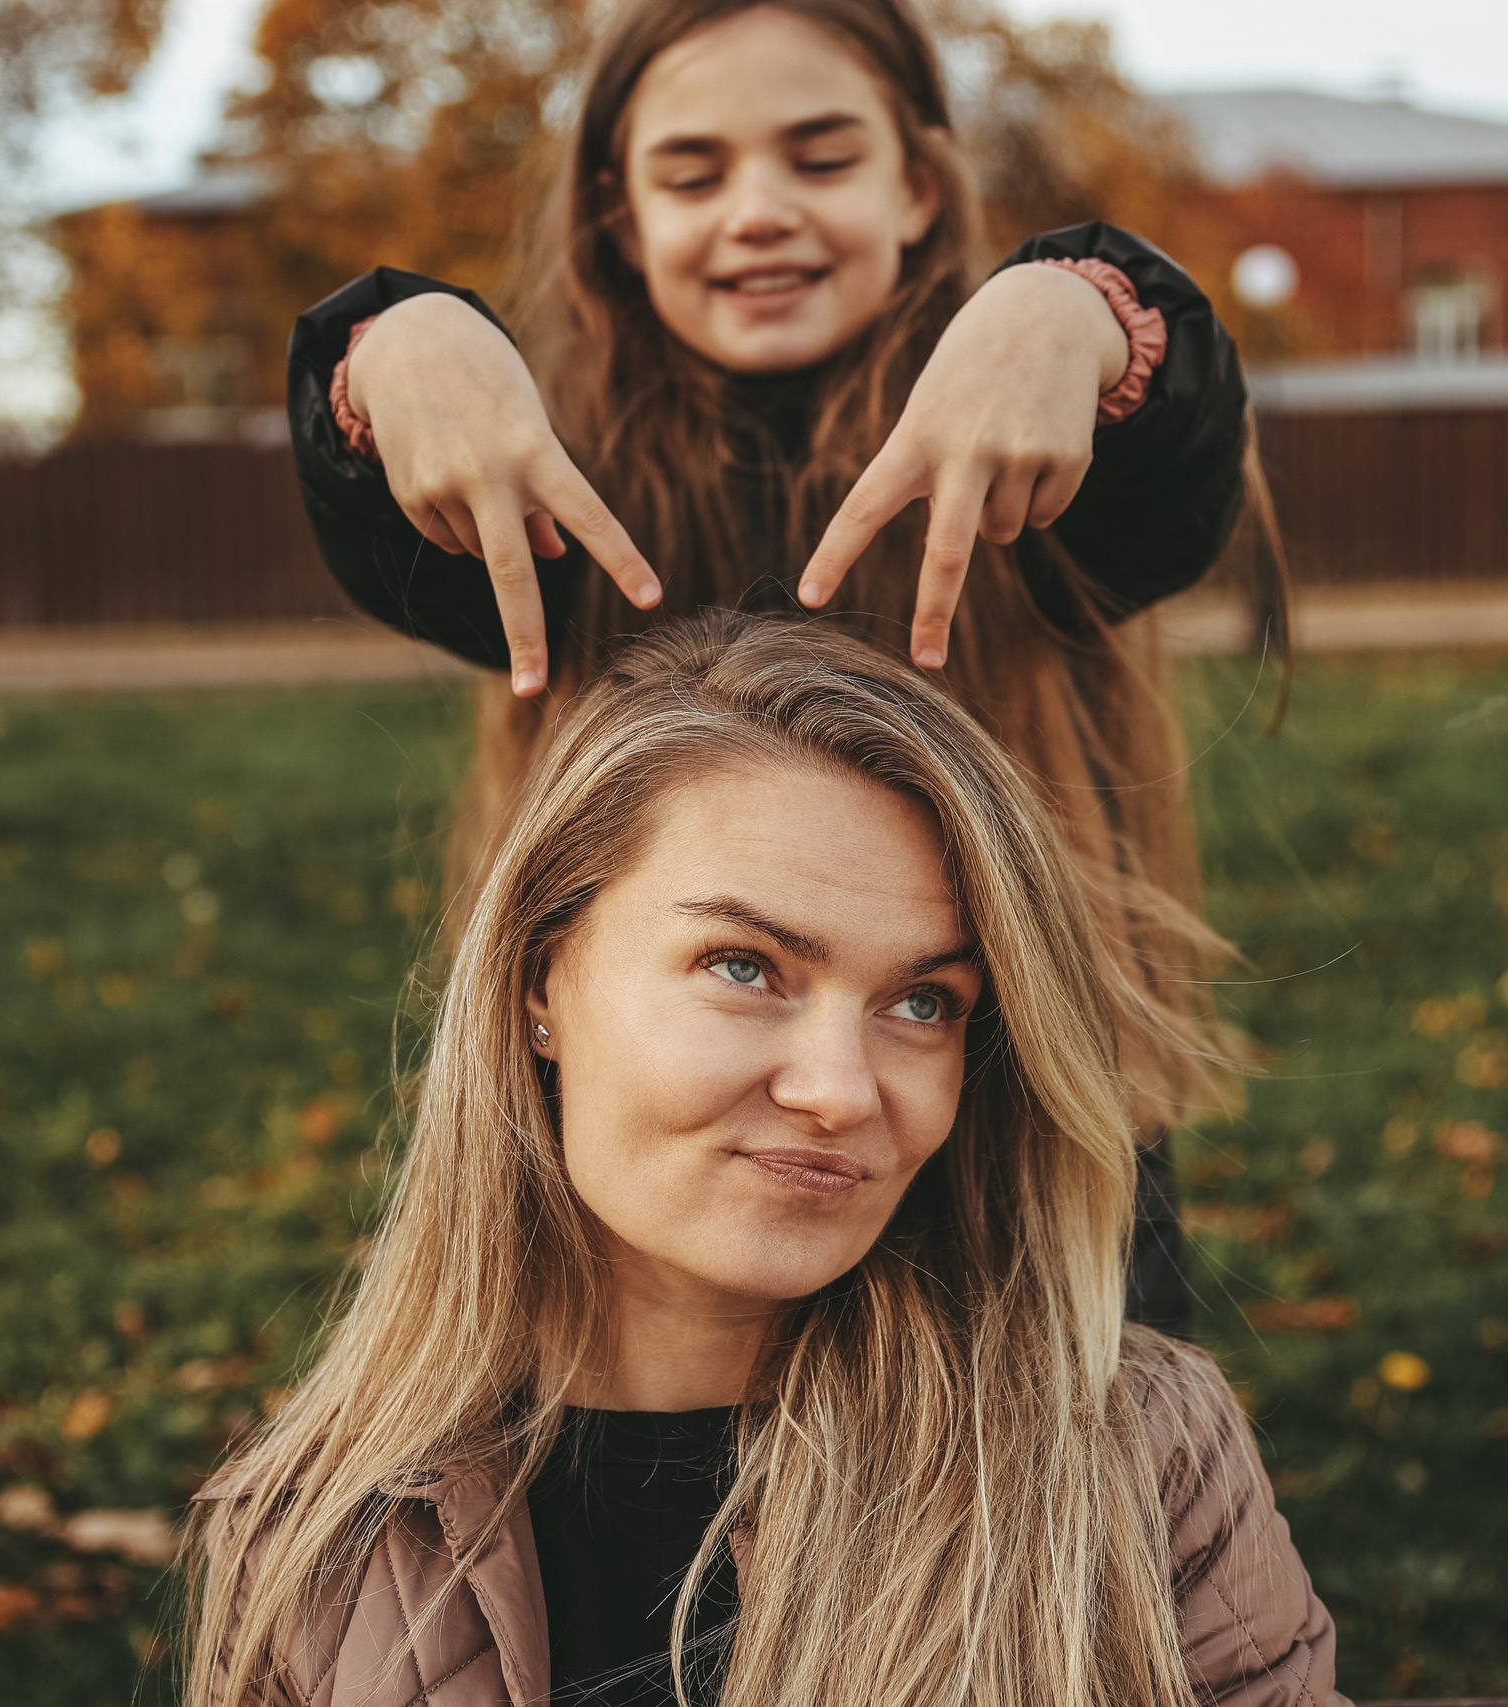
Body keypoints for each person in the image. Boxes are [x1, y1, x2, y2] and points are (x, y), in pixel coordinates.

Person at [285, 0, 1274, 1338]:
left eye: (821, 158)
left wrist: (1073, 310)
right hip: (673, 1151)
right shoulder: (554, 476)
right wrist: (393, 348)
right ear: (619, 217)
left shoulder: (1041, 449)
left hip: (1025, 1139)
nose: (758, 212)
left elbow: (1176, 464)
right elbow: (384, 527)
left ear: (919, 186)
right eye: (694, 174)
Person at [187, 614, 1337, 1707]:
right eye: (743, 966)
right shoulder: (304, 1544)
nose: (839, 1091)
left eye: (923, 1002)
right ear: (539, 979)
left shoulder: (1138, 1457)